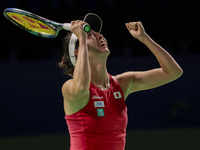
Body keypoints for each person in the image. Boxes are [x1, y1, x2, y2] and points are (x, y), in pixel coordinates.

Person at [59, 13, 183, 150]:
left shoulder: (121, 84)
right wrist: (82, 38)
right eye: (90, 35)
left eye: (98, 33)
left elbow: (173, 72)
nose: (99, 36)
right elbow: (82, 87)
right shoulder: (69, 87)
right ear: (77, 51)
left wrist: (144, 38)